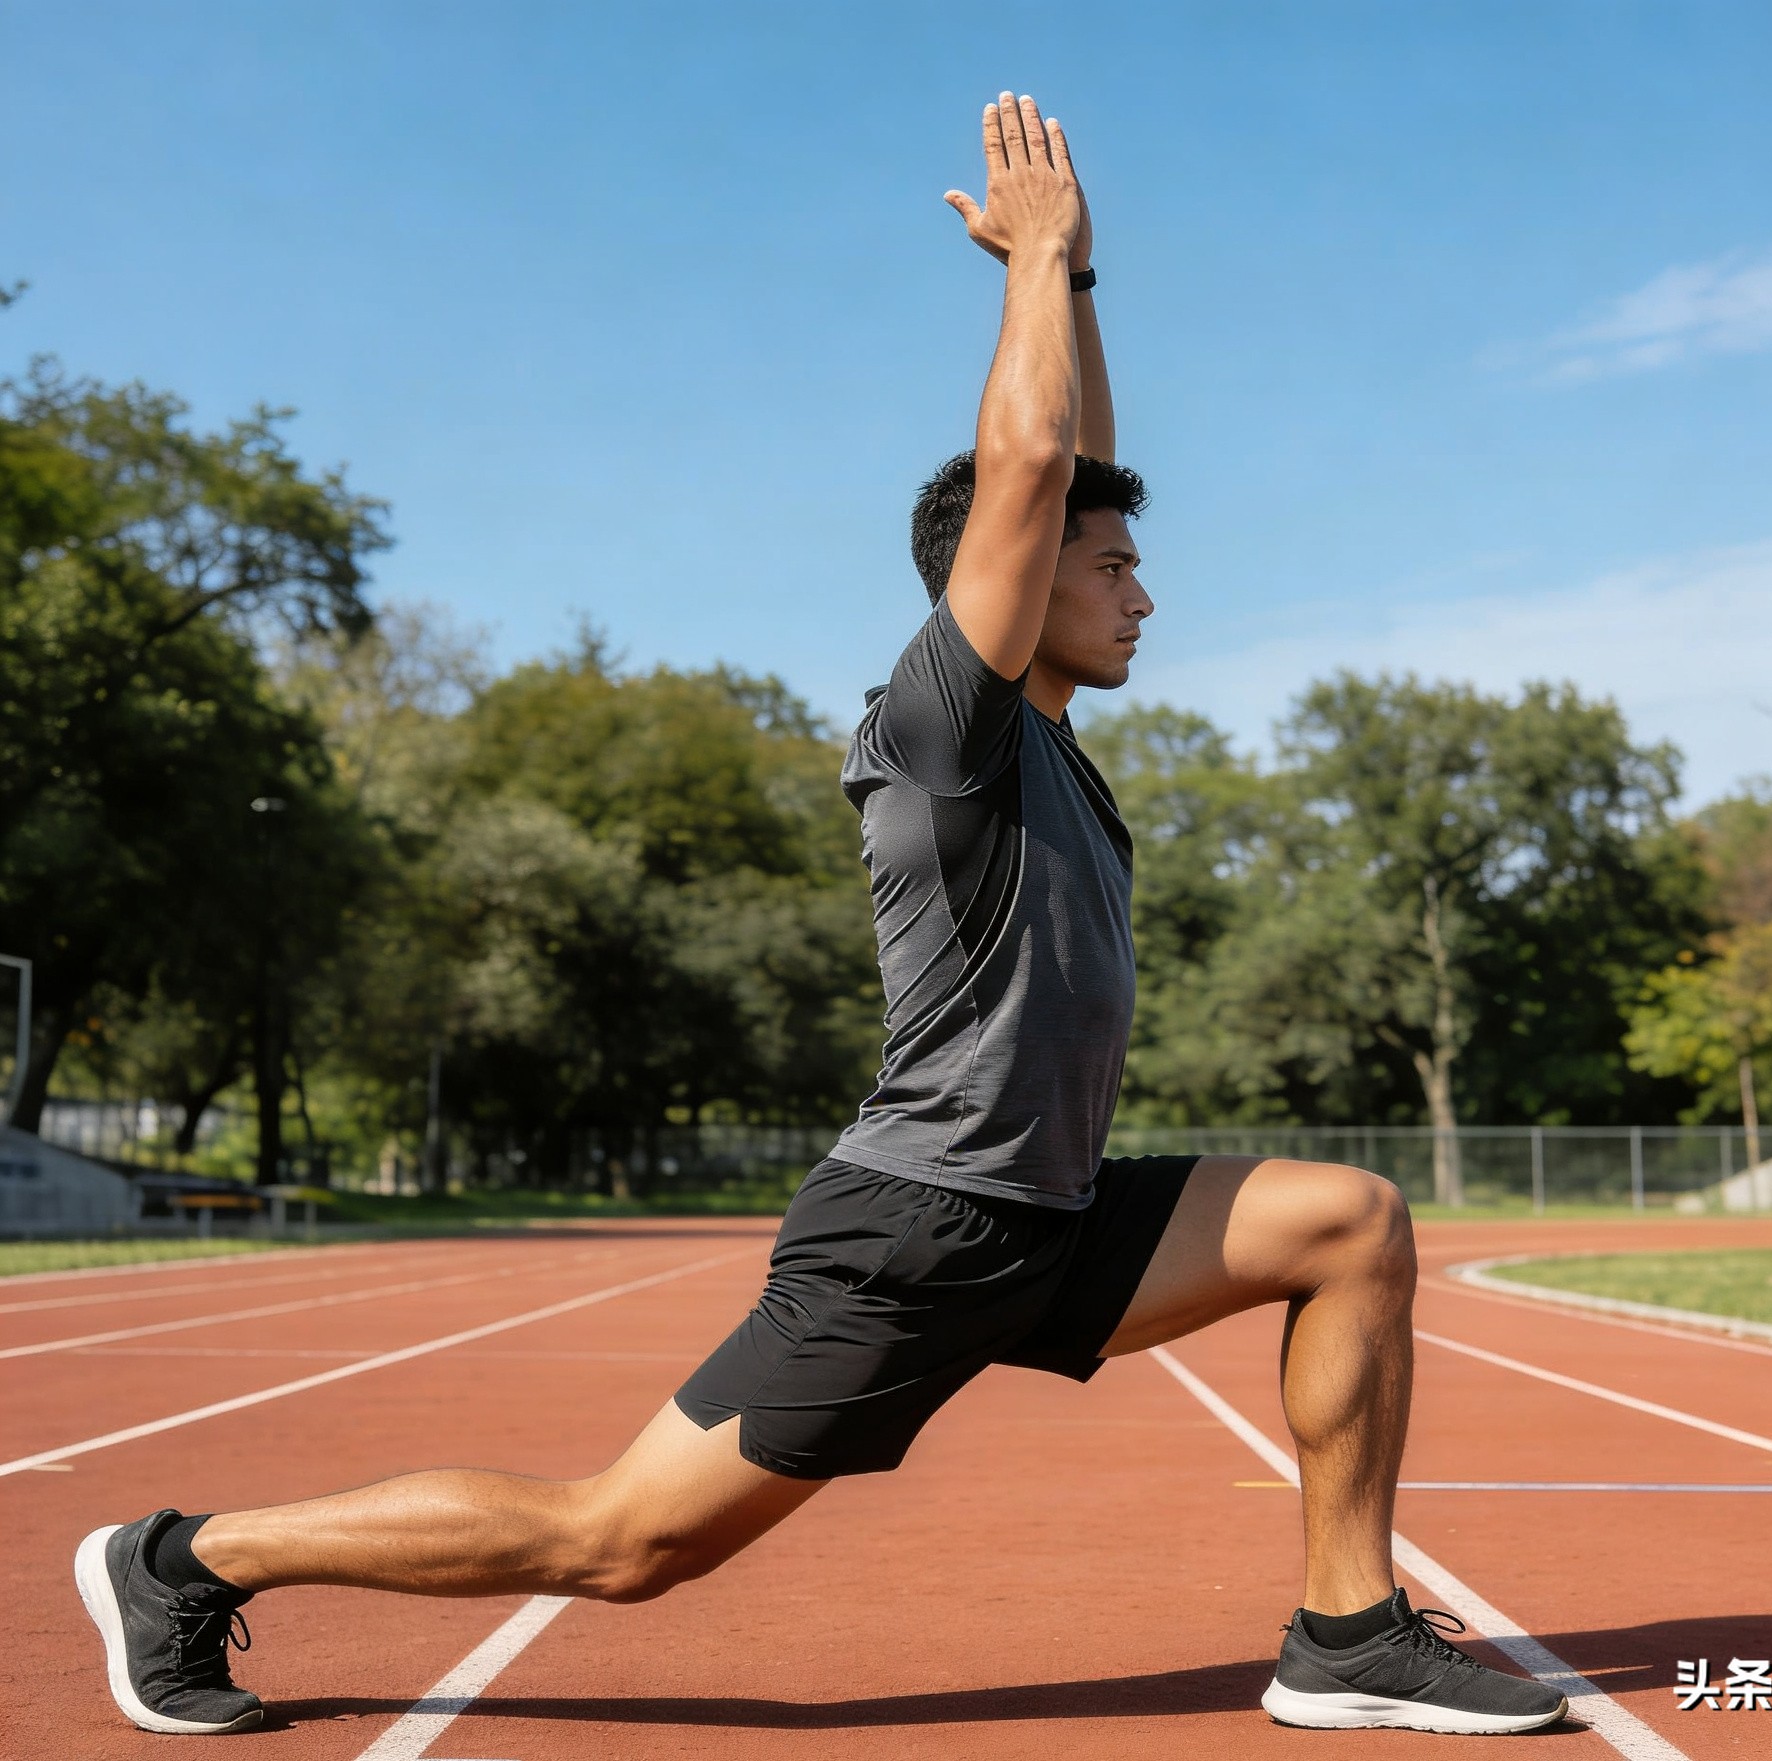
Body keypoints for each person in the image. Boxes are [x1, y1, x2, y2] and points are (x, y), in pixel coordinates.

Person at [75, 94, 1565, 1739]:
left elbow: (1070, 464)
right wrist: (1038, 262)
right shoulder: (943, 728)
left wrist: (1073, 286)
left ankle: (1347, 1631)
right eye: (1112, 566)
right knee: (620, 1540)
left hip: (1048, 1219)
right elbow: (1032, 463)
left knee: (1349, 1219)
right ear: (1003, 584)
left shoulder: (1052, 743)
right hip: (918, 1229)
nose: (1147, 590)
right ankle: (182, 1555)